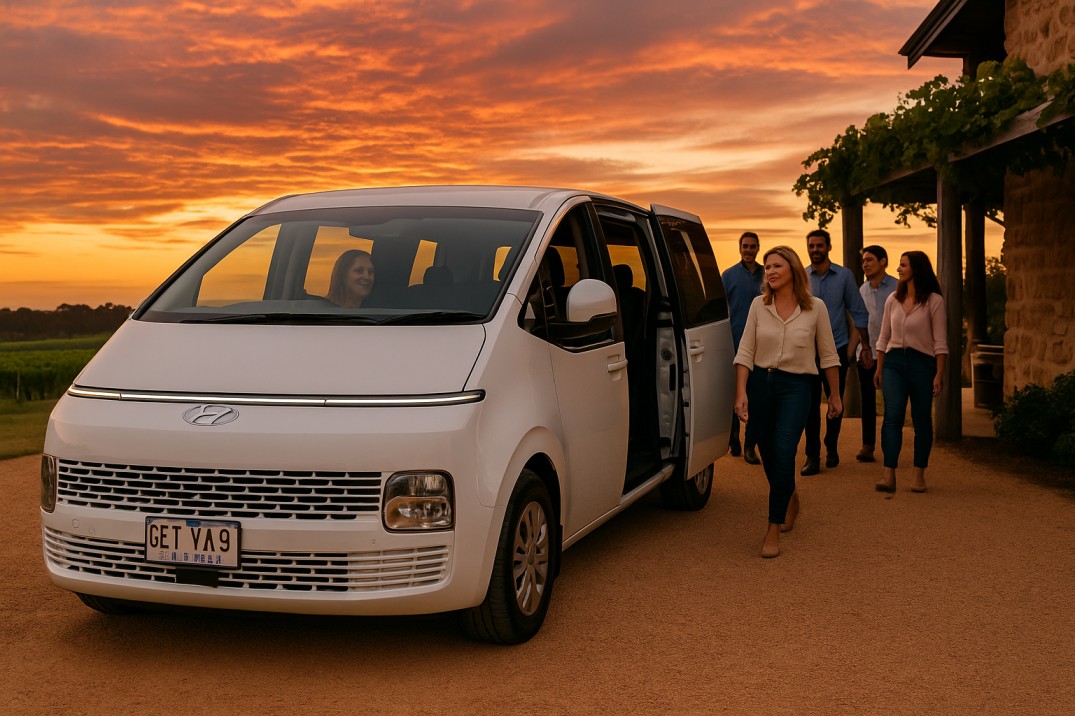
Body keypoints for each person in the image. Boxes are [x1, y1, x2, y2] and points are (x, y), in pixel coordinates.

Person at [734, 246, 842, 558]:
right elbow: (745, 351)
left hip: (797, 387)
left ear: (793, 269)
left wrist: (834, 395)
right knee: (769, 454)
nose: (770, 271)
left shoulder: (816, 308)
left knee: (784, 451)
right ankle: (789, 493)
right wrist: (740, 393)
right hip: (760, 385)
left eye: (776, 266)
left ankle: (772, 527)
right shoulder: (758, 305)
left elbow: (828, 355)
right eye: (767, 267)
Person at [874, 251, 948, 494]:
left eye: (903, 265)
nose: (899, 269)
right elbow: (883, 337)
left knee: (922, 419)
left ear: (916, 268)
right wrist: (879, 367)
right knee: (892, 417)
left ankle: (918, 475)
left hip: (922, 364)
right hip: (894, 362)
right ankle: (888, 474)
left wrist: (939, 374)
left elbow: (940, 342)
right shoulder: (893, 299)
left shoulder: (934, 301)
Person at [801, 229, 871, 475]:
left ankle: (831, 445)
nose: (815, 250)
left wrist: (859, 348)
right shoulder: (801, 277)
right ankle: (812, 455)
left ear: (828, 247)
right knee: (809, 406)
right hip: (807, 352)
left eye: (819, 245)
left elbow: (858, 311)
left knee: (835, 401)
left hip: (836, 349)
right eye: (811, 246)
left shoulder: (844, 276)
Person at [721, 231, 763, 464]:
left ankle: (750, 446)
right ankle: (733, 438)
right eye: (745, 246)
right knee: (734, 392)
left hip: (761, 346)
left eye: (752, 246)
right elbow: (720, 309)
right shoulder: (728, 276)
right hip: (735, 342)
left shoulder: (767, 275)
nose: (748, 250)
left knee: (755, 396)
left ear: (758, 248)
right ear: (740, 248)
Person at [855, 245, 897, 463]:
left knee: (892, 402)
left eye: (869, 260)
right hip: (866, 353)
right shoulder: (861, 291)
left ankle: (891, 446)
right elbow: (858, 323)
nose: (865, 264)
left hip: (891, 353)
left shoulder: (898, 288)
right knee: (868, 401)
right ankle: (868, 445)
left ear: (883, 261)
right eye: (863, 261)